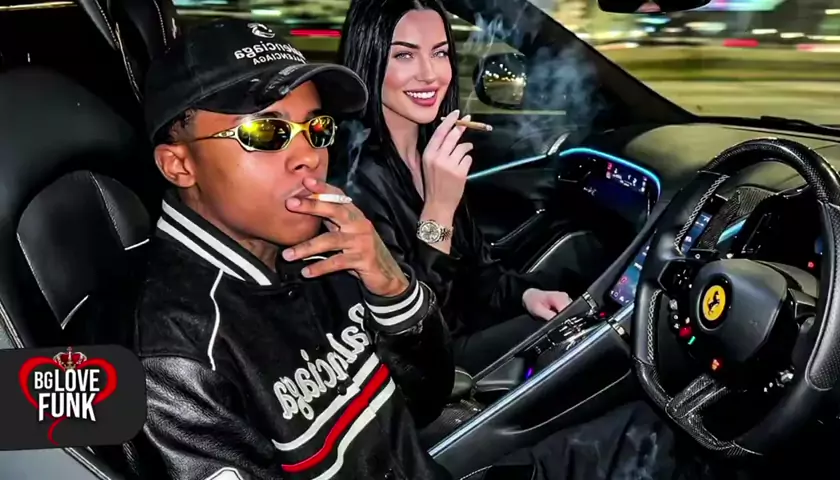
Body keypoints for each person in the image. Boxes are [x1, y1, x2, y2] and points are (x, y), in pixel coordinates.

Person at [124, 18, 456, 480]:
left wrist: (393, 288)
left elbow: (423, 403)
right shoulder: (177, 356)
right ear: (180, 165)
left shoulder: (329, 247)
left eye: (316, 128)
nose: (309, 156)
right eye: (265, 132)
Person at [335, 0, 585, 375]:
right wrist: (438, 207)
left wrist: (527, 295)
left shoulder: (432, 152)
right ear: (369, 59)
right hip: (426, 369)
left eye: (440, 53)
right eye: (404, 55)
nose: (430, 74)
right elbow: (414, 328)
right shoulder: (353, 178)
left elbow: (481, 274)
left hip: (462, 338)